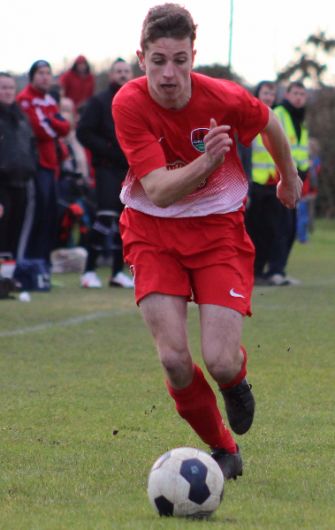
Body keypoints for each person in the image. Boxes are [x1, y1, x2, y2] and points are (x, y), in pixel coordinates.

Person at [112, 3, 302, 480]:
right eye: (158, 61)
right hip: (151, 231)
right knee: (175, 359)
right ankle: (223, 447)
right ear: (142, 58)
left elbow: (269, 124)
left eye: (180, 60)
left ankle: (235, 381)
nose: (169, 73)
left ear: (194, 55)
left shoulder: (224, 97)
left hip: (218, 233)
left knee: (218, 360)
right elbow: (157, 188)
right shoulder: (129, 103)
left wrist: (288, 177)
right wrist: (208, 162)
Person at [77, 58, 134, 288]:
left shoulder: (136, 101)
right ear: (111, 75)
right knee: (105, 217)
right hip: (106, 169)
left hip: (130, 171)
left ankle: (117, 273)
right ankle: (89, 270)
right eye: (118, 71)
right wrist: (109, 150)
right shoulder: (99, 102)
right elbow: (83, 132)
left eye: (126, 71)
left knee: (127, 220)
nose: (122, 75)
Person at [17, 60, 70, 263]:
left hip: (52, 165)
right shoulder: (25, 99)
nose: (45, 77)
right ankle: (28, 262)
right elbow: (42, 130)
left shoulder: (49, 100)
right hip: (37, 165)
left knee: (51, 214)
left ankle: (42, 263)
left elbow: (65, 128)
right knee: (37, 215)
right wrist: (54, 125)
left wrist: (53, 124)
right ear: (32, 76)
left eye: (48, 72)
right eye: (41, 73)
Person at [269, 81, 310, 284]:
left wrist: (305, 172)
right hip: (279, 180)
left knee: (290, 228)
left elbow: (301, 151)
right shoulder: (279, 113)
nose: (299, 97)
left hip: (297, 181)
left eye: (303, 94)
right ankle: (274, 271)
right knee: (280, 228)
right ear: (287, 94)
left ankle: (280, 270)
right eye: (296, 93)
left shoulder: (300, 119)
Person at [244, 81, 284, 285]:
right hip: (254, 184)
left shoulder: (277, 118)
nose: (269, 96)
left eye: (272, 93)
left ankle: (261, 271)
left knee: (270, 230)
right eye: (265, 92)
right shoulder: (248, 118)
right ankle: (250, 272)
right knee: (252, 230)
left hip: (273, 183)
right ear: (258, 93)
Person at [0, 72, 37, 260]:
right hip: (2, 185)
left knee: (16, 232)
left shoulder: (22, 119)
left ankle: (9, 279)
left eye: (10, 88)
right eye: (3, 87)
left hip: (22, 182)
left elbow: (31, 146)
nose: (7, 92)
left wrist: (32, 166)